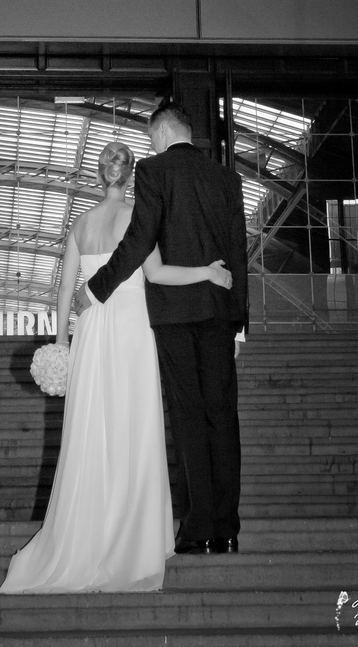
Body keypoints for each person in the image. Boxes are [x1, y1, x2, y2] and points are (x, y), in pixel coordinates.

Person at [0, 141, 233, 595]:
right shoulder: (137, 218)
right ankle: (131, 542)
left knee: (91, 434)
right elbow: (159, 275)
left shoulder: (81, 224)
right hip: (131, 332)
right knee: (133, 431)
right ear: (130, 176)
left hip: (91, 334)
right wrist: (206, 272)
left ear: (101, 174)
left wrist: (63, 343)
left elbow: (65, 291)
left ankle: (84, 539)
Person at [87, 103, 248, 557]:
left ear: (159, 134)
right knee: (223, 416)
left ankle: (198, 528)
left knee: (189, 417)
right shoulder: (226, 178)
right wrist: (239, 324)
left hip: (176, 315)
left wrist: (97, 288)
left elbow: (139, 241)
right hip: (219, 312)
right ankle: (228, 528)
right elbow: (239, 251)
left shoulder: (154, 172)